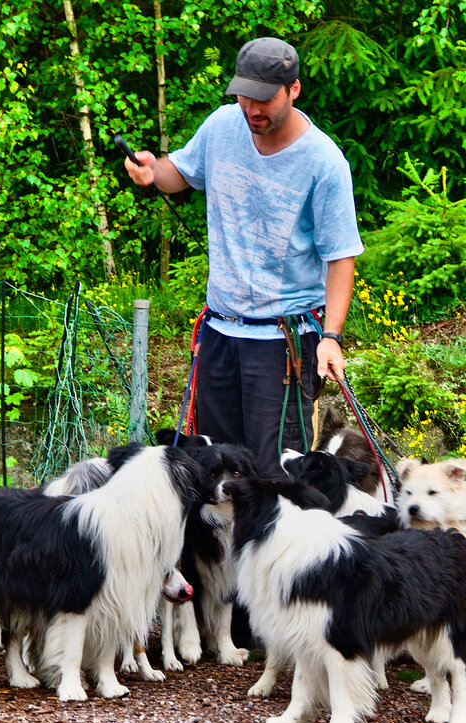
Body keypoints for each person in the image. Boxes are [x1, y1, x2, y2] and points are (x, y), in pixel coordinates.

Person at [124, 36, 364, 478]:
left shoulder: (324, 162)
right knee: (214, 471)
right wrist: (151, 170)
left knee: (275, 477)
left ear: (293, 90)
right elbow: (180, 172)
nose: (252, 108)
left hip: (283, 346)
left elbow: (341, 258)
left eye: (264, 98)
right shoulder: (221, 126)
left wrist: (331, 337)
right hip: (218, 335)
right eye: (244, 95)